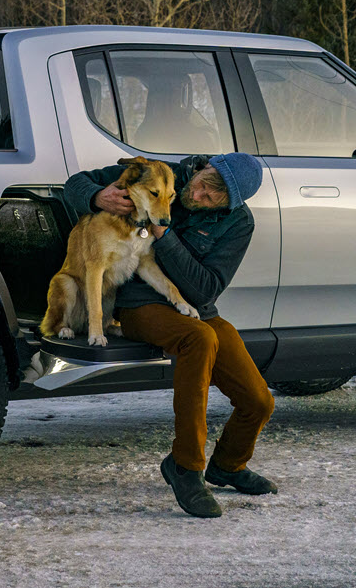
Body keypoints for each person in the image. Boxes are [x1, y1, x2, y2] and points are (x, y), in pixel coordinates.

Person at [61, 152, 277, 518]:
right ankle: (186, 465)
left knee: (259, 400)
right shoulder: (160, 174)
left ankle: (228, 465)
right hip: (137, 303)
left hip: (194, 307)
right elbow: (75, 183)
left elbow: (205, 289)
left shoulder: (238, 223)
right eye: (206, 183)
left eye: (216, 196)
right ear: (206, 166)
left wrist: (164, 234)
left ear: (232, 204)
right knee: (199, 340)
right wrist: (98, 196)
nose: (202, 195)